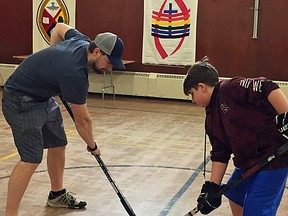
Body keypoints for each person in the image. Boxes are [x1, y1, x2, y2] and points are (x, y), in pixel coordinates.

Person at [1, 23, 125, 216]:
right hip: (21, 99)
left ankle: (56, 195)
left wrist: (52, 62)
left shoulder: (81, 41)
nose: (110, 68)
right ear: (97, 51)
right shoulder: (74, 73)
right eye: (109, 62)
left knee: (58, 144)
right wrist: (92, 146)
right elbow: (82, 120)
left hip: (43, 96)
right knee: (31, 159)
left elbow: (58, 27)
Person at [183, 56, 288, 216]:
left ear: (201, 87)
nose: (192, 100)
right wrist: (213, 187)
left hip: (274, 160)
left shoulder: (229, 88)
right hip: (249, 162)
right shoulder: (211, 118)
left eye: (191, 94)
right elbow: (220, 153)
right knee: (235, 195)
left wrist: (286, 113)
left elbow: (267, 86)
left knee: (256, 211)